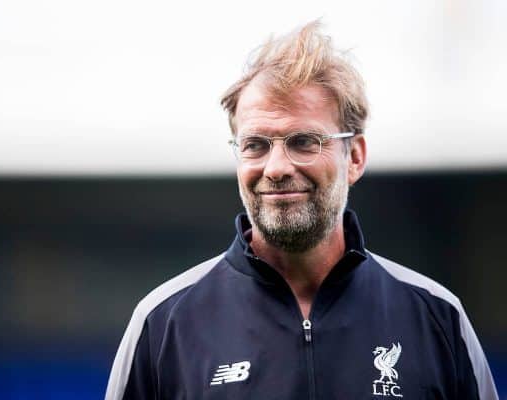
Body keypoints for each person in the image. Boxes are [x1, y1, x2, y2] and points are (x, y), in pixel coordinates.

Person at [105, 21, 498, 400]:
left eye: (304, 141)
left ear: (355, 157)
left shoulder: (436, 317)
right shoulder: (164, 323)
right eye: (255, 144)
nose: (275, 168)